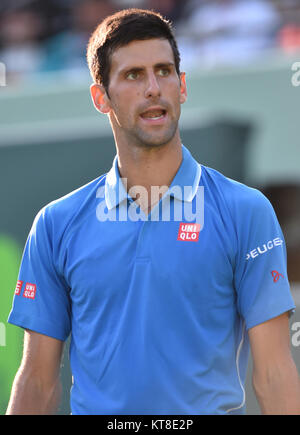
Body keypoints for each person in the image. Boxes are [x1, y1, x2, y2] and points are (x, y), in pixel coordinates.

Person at [6, 8, 300, 415]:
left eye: (163, 71)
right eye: (132, 75)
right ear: (100, 97)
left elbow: (274, 375)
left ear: (182, 86)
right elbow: (37, 382)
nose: (153, 88)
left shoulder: (246, 212)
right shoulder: (56, 224)